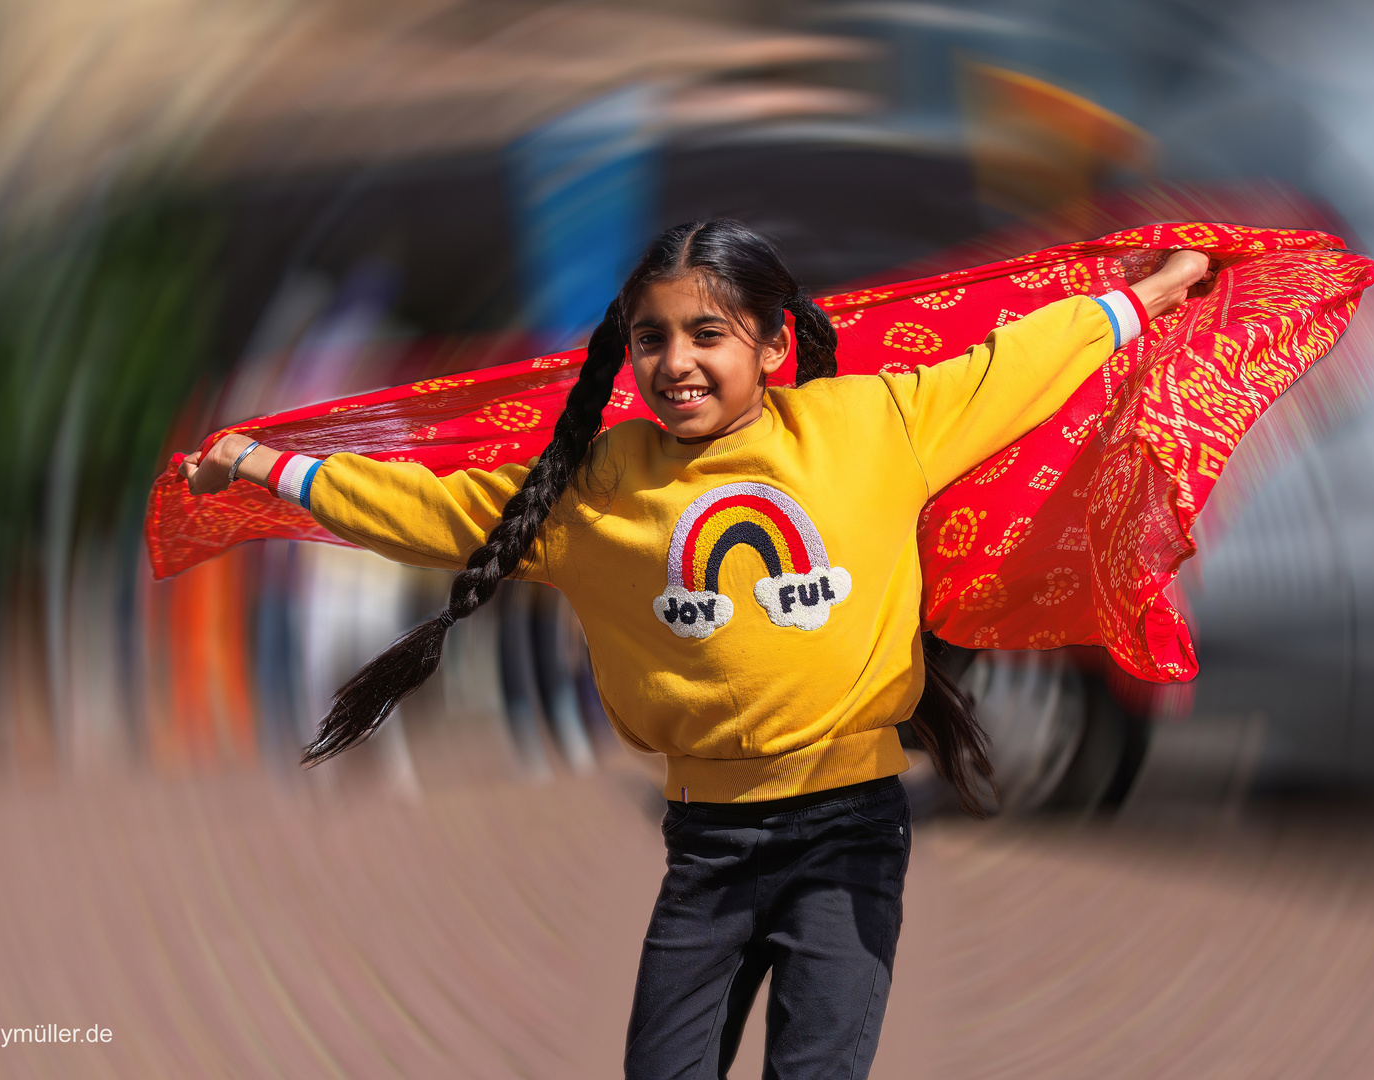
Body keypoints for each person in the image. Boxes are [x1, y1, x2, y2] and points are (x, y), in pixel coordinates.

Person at [179, 220, 1209, 1079]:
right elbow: (435, 511)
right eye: (651, 339)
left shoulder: (873, 424)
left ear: (770, 344)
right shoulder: (598, 486)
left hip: (849, 838)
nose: (675, 363)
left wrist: (1148, 297)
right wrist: (269, 466)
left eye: (707, 333)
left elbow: (1013, 370)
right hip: (706, 853)